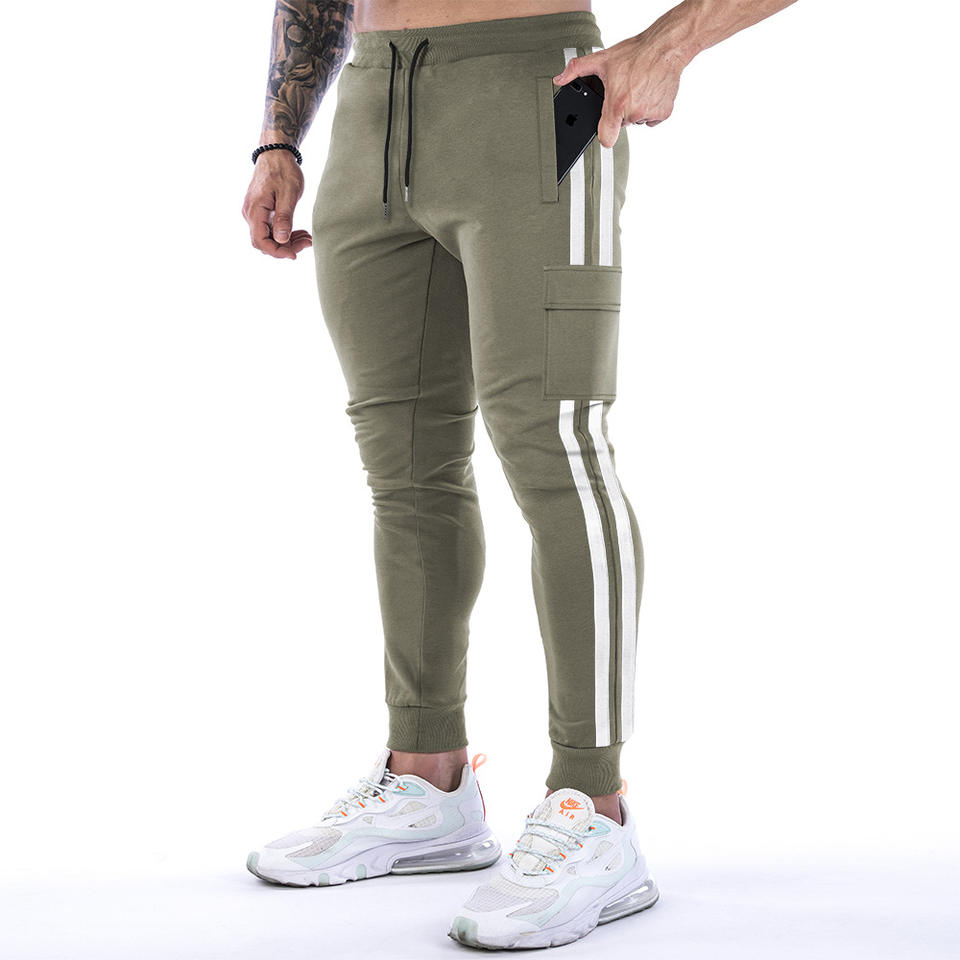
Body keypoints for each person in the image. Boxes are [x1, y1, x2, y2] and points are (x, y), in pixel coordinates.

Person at [241, 0, 796, 949]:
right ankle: (428, 782)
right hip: (370, 112)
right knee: (405, 465)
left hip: (534, 96)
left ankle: (595, 808)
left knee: (556, 447)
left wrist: (671, 43)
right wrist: (279, 137)